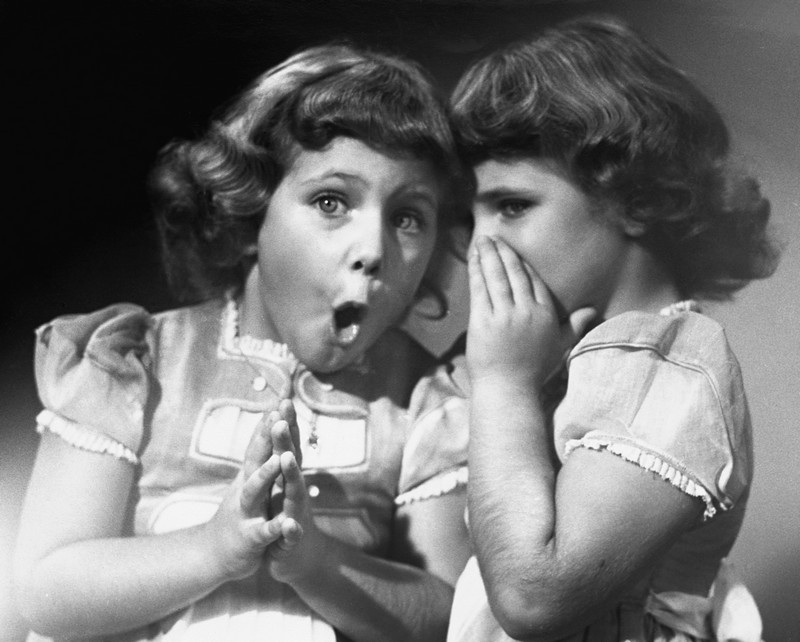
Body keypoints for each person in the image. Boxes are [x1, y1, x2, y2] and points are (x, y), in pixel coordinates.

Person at [13, 42, 472, 642]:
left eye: (407, 217)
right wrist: (214, 549)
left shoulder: (421, 405)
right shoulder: (135, 363)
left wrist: (318, 565)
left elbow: (448, 619)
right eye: (332, 202)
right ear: (252, 210)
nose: (374, 250)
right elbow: (46, 593)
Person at [445, 15, 779, 642]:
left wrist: (501, 386)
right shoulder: (570, 367)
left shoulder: (675, 363)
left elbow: (533, 596)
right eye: (471, 217)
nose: (481, 245)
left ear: (636, 199)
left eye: (513, 206)